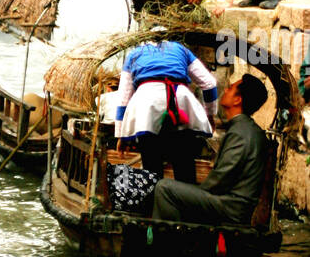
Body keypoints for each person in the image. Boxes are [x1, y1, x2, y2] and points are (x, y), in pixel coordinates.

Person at [152, 74, 269, 224]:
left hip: (230, 207)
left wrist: (197, 192)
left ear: (237, 100)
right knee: (179, 187)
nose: (225, 89)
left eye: (231, 88)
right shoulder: (244, 128)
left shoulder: (240, 132)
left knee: (164, 187)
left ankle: (170, 242)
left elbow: (222, 177)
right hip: (229, 202)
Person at [114, 34, 218, 182]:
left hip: (146, 106)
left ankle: (155, 202)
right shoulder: (182, 50)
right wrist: (210, 115)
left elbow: (123, 97)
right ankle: (186, 201)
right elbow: (210, 84)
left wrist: (121, 135)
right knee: (184, 166)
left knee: (151, 171)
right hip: (181, 102)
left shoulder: (134, 54)